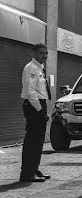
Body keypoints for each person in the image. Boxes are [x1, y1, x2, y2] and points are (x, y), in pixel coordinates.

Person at [20, 43, 51, 183]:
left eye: (46, 53)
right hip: (33, 106)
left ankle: (34, 169)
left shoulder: (40, 68)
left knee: (38, 141)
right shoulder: (31, 68)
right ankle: (27, 173)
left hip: (39, 105)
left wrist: (43, 109)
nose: (44, 56)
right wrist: (39, 110)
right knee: (32, 141)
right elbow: (30, 91)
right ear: (34, 53)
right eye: (41, 53)